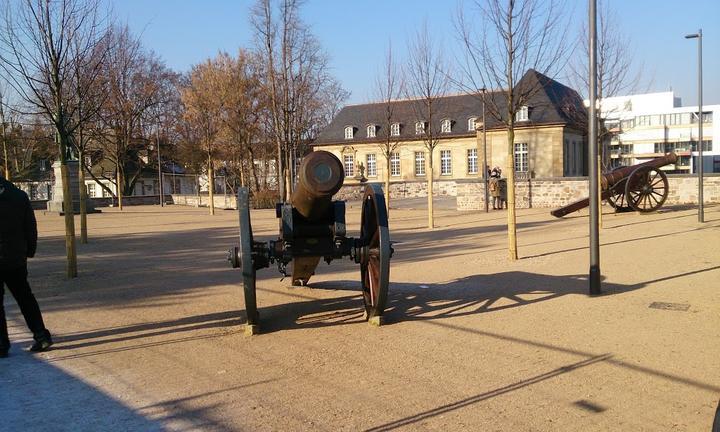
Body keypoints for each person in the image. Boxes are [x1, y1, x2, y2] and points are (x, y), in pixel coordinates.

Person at [0, 175, 52, 358]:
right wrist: (29, 251)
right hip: (15, 256)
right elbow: (30, 226)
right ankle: (41, 335)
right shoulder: (18, 195)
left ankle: (1, 344)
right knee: (25, 298)